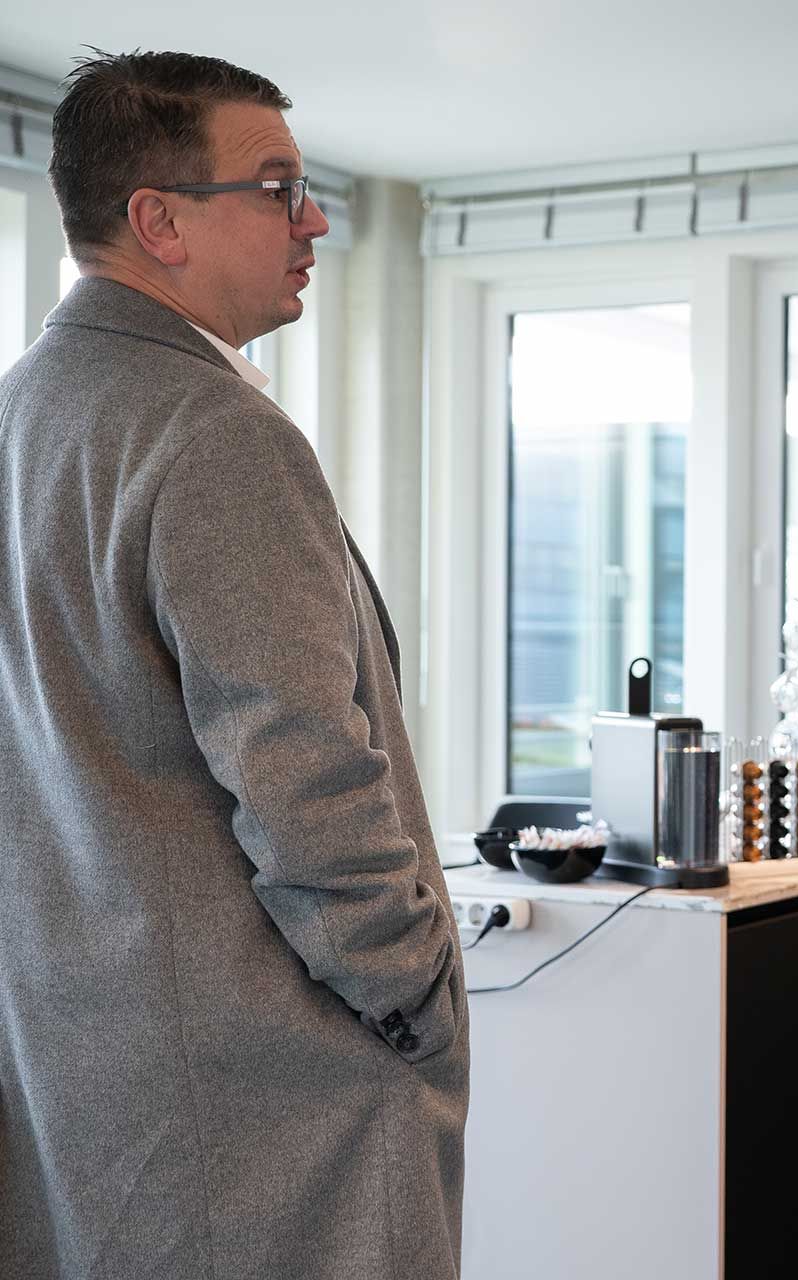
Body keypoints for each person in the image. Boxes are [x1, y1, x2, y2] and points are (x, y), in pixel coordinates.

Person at [0, 52, 467, 1279]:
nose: (314, 219)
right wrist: (411, 992)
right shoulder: (212, 431)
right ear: (157, 220)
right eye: (277, 187)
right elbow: (303, 768)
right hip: (260, 1109)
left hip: (77, 1069)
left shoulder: (23, 411)